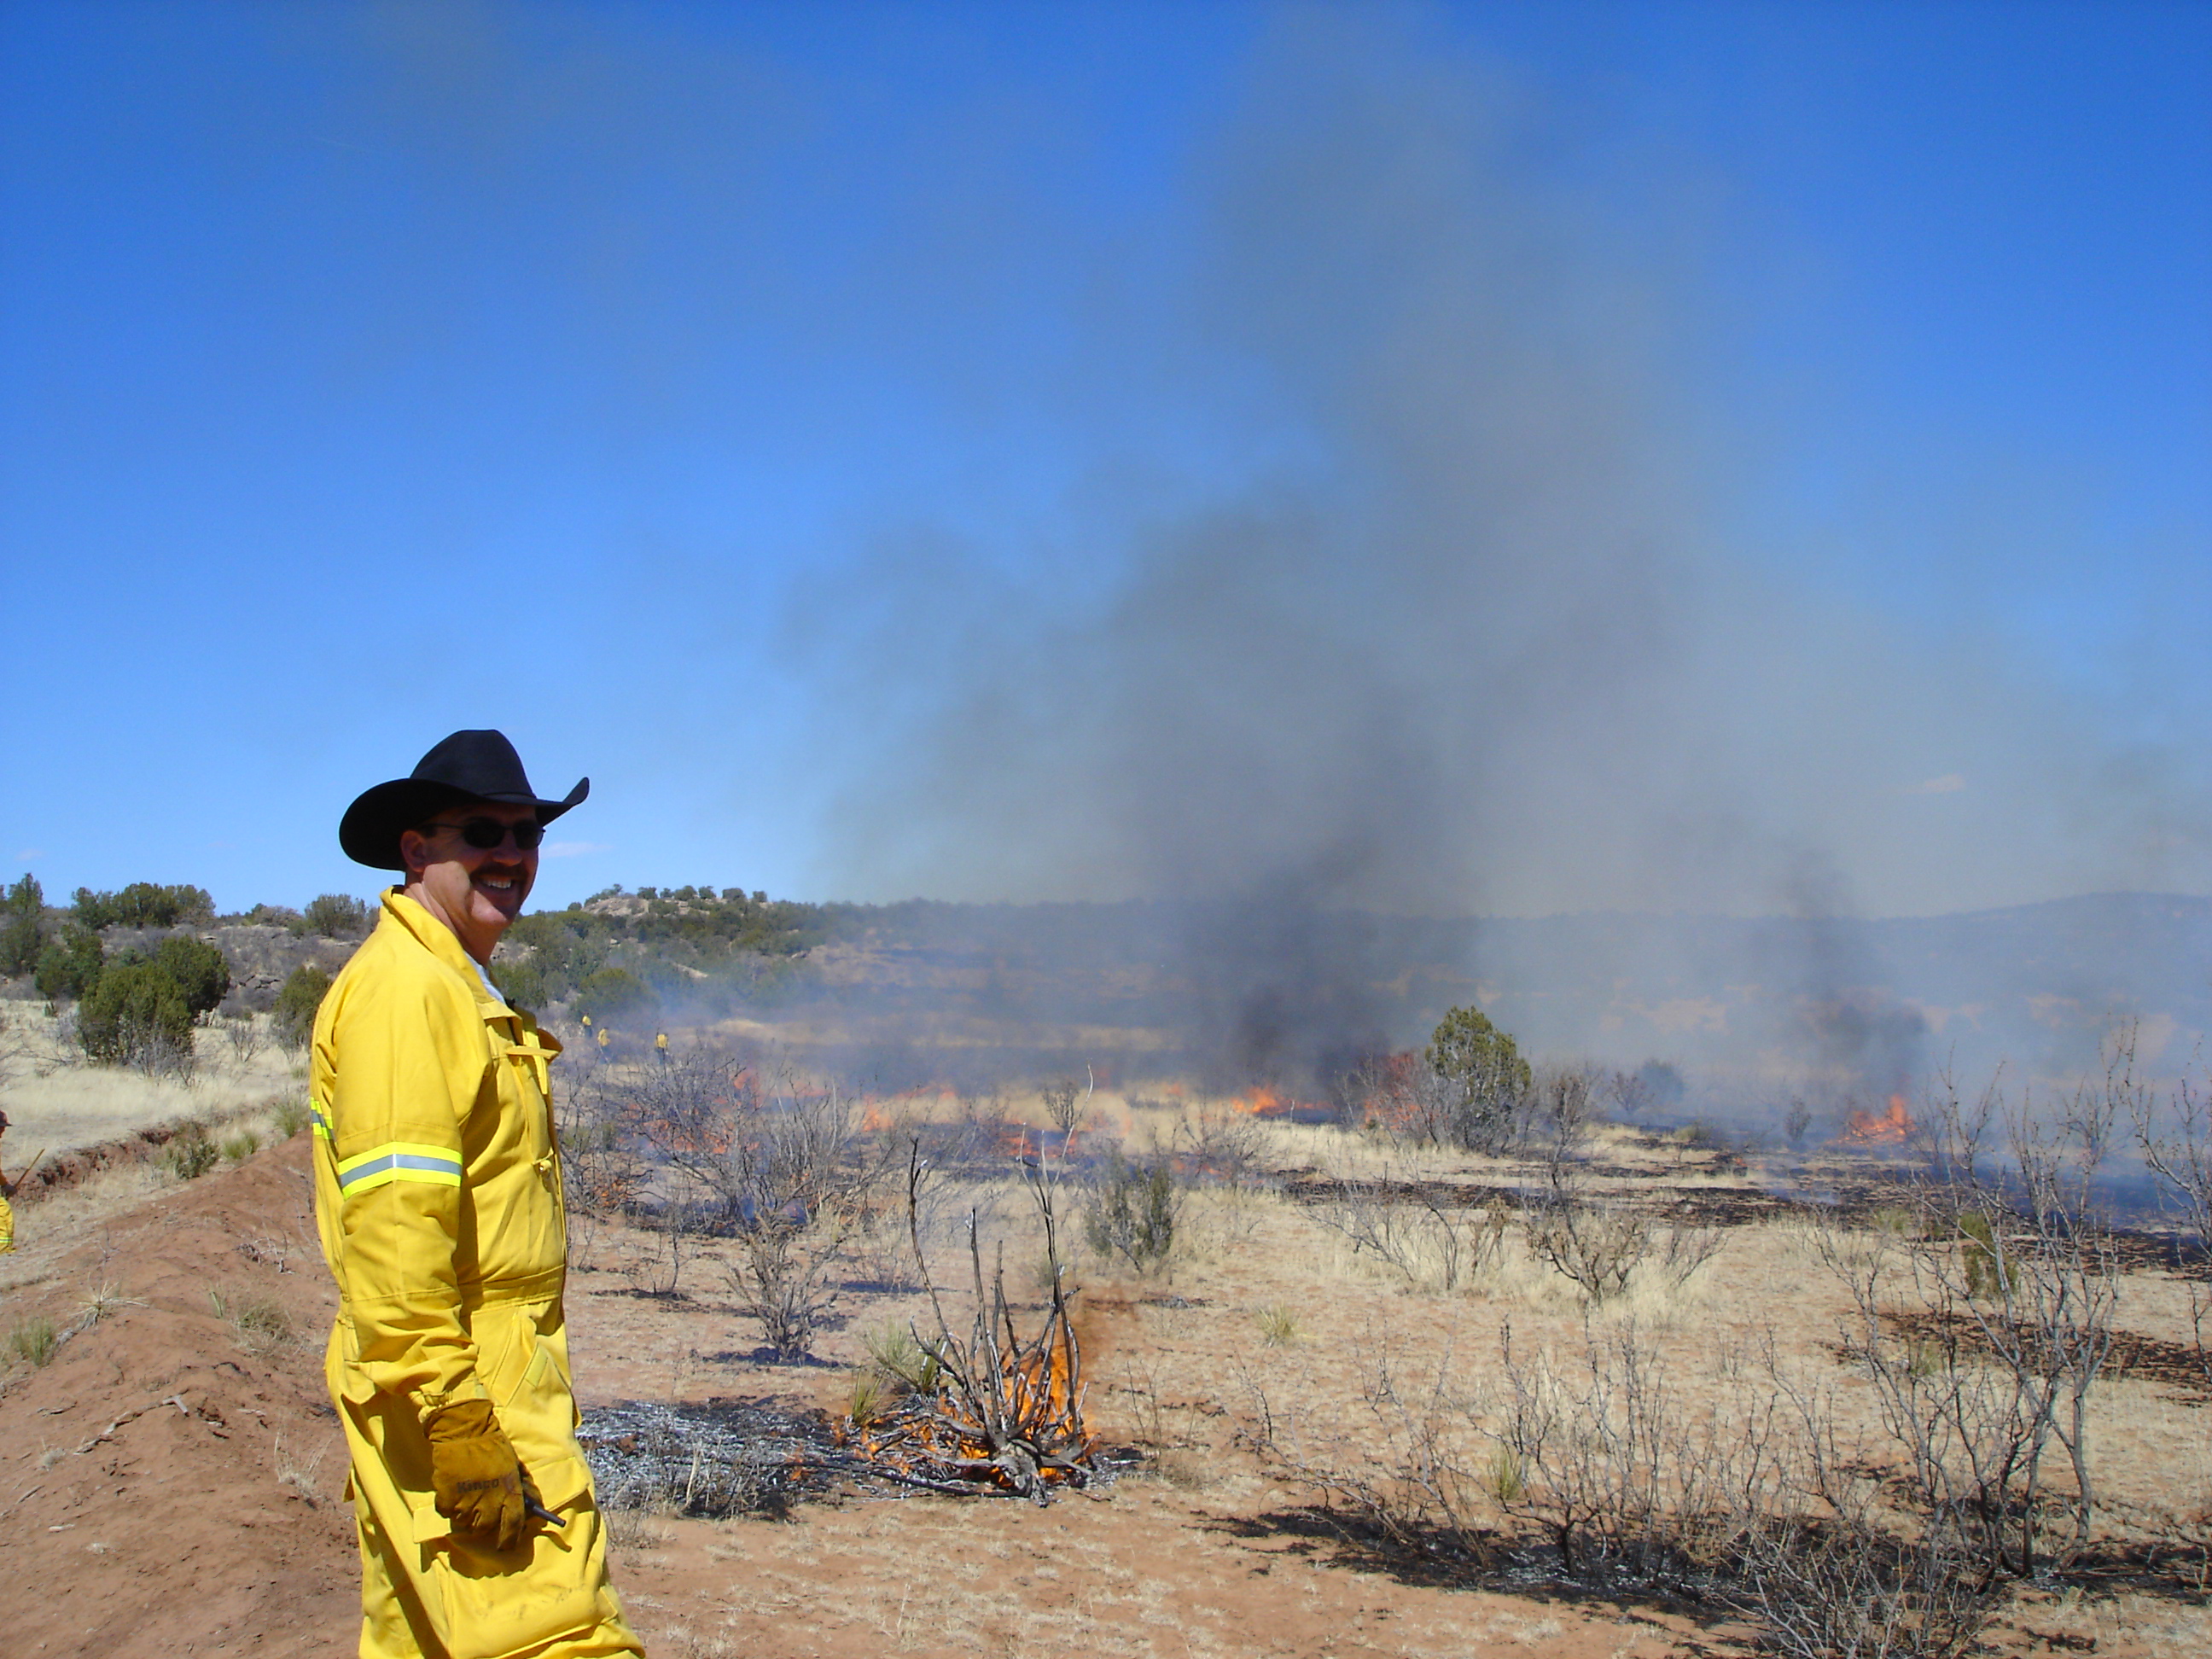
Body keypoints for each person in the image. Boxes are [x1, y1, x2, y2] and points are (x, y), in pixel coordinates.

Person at [313, 730, 643, 1658]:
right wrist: (456, 1415)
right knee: (560, 1637)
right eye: (482, 832)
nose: (511, 854)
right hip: (464, 1387)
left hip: (469, 1376)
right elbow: (394, 1233)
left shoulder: (452, 985)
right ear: (418, 850)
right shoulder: (409, 993)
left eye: (527, 834)